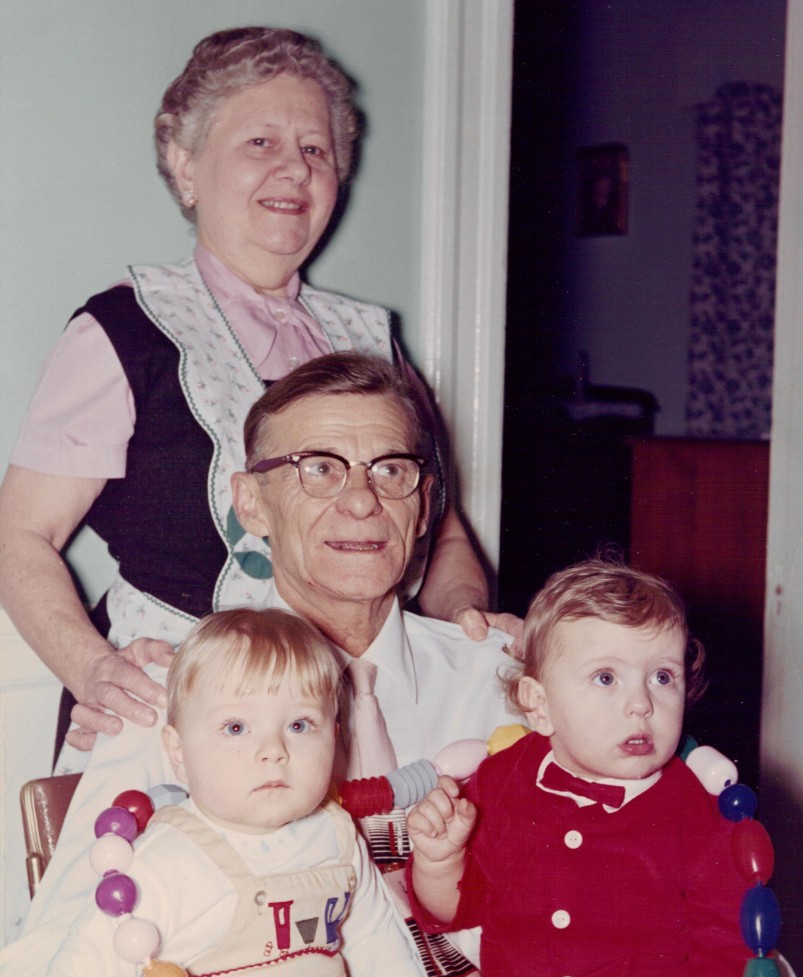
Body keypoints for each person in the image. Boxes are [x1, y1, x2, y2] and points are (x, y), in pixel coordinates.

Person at [0, 26, 508, 769]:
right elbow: (21, 536)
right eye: (260, 144)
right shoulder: (124, 329)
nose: (295, 170)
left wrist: (465, 623)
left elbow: (444, 532)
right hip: (182, 716)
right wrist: (92, 669)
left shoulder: (373, 342)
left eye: (316, 150)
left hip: (359, 714)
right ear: (185, 166)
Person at [0, 353, 522, 977]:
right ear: (251, 503)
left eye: (390, 470)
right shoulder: (173, 698)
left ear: (422, 506)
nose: (361, 501)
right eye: (319, 468)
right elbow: (64, 955)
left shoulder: (504, 679)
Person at [18, 607, 445, 977]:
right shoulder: (170, 861)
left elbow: (378, 946)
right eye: (236, 728)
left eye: (299, 725)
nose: (274, 750)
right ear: (179, 754)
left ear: (334, 736)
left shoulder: (336, 834)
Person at [406, 558, 759, 977]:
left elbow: (729, 946)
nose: (641, 704)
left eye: (662, 677)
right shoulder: (499, 781)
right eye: (606, 678)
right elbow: (456, 910)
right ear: (539, 705)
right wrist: (438, 860)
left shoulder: (697, 811)